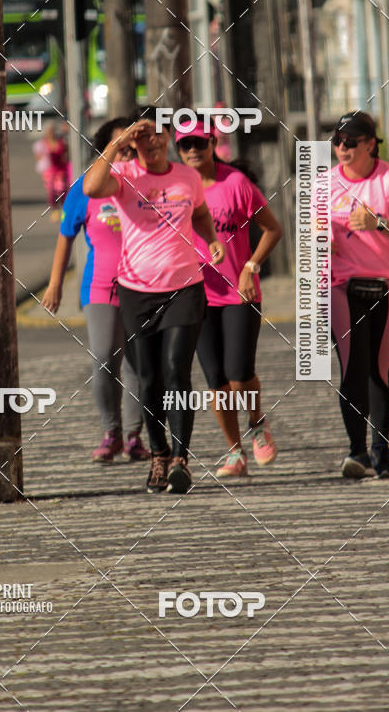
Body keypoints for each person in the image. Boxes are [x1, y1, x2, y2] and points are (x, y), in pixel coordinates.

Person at [83, 109, 226, 494]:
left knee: (177, 369)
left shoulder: (188, 177)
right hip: (136, 290)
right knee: (150, 377)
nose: (152, 141)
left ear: (167, 137)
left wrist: (211, 239)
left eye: (158, 133)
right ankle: (158, 454)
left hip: (184, 286)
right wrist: (117, 143)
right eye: (143, 136)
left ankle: (181, 458)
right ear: (134, 142)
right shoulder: (126, 175)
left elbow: (199, 213)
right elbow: (91, 188)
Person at [175, 118, 283, 477]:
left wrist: (250, 267)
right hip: (196, 294)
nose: (192, 150)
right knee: (216, 381)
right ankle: (235, 453)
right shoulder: (177, 188)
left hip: (239, 292)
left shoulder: (236, 184)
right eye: (185, 145)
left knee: (239, 374)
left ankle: (257, 423)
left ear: (212, 142)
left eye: (199, 143)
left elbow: (272, 229)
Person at [42, 118, 149, 464]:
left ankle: (134, 436)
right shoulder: (84, 188)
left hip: (144, 284)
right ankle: (111, 431)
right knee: (105, 357)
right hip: (99, 285)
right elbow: (65, 237)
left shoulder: (143, 183)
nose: (125, 153)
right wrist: (56, 282)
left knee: (137, 363)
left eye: (130, 148)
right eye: (118, 146)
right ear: (104, 149)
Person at [329, 111, 389, 478]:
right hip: (343, 287)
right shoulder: (324, 184)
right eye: (338, 141)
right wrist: (319, 241)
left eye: (351, 141)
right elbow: (310, 243)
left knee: (379, 370)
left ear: (371, 144)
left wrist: (380, 222)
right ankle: (357, 452)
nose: (343, 148)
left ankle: (381, 450)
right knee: (351, 369)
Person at [33, 123, 69, 221]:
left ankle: (64, 210)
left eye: (52, 131)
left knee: (61, 189)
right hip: (49, 171)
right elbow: (37, 156)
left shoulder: (61, 142)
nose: (50, 133)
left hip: (61, 170)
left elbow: (66, 154)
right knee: (51, 192)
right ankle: (55, 210)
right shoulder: (42, 144)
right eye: (48, 131)